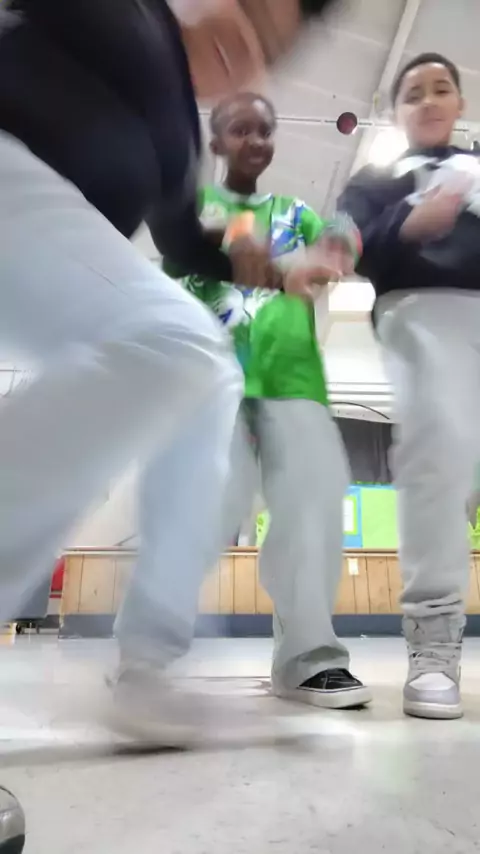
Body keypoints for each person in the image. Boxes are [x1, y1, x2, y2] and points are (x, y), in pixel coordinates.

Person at [0, 0, 345, 746]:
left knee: (207, 376)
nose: (243, 42)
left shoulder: (182, 141)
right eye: (248, 12)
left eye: (267, 46)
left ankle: (148, 663)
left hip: (39, 227)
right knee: (179, 345)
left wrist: (276, 265)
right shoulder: (130, 13)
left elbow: (187, 241)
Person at [164, 92, 371, 709]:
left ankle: (309, 659)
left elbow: (335, 242)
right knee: (194, 514)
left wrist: (339, 241)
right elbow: (176, 267)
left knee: (313, 508)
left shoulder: (295, 212)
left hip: (293, 380)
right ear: (216, 142)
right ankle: (144, 654)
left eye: (265, 130)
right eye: (240, 129)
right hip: (211, 381)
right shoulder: (194, 213)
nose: (255, 140)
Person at [338, 52, 480, 720]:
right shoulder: (377, 179)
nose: (428, 100)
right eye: (413, 93)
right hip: (420, 311)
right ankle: (434, 644)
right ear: (395, 112)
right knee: (435, 462)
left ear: (459, 103)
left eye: (441, 89)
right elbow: (348, 242)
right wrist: (404, 224)